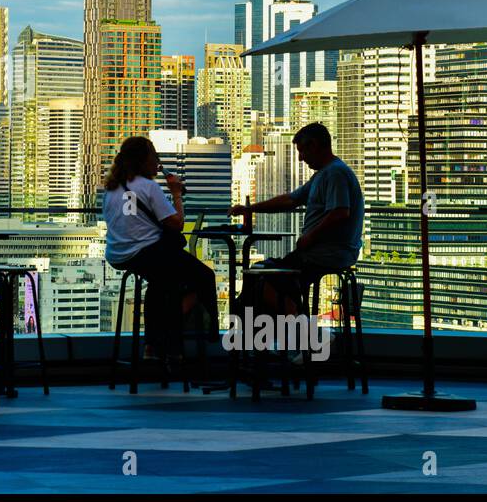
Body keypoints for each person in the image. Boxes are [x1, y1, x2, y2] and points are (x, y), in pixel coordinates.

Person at [230, 122, 364, 317]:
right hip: (319, 254)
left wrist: (310, 237)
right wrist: (250, 208)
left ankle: (295, 327)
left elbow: (340, 212)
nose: (301, 158)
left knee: (261, 277)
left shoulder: (335, 173)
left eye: (302, 151)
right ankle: (284, 330)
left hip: (325, 255)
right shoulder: (324, 174)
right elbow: (290, 200)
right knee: (259, 276)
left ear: (314, 145)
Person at [102, 136, 218, 360]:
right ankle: (187, 335)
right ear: (144, 160)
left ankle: (154, 345)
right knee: (204, 277)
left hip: (118, 254)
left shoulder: (111, 188)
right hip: (147, 253)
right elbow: (177, 224)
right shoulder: (149, 186)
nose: (157, 161)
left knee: (163, 284)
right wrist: (175, 192)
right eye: (154, 156)